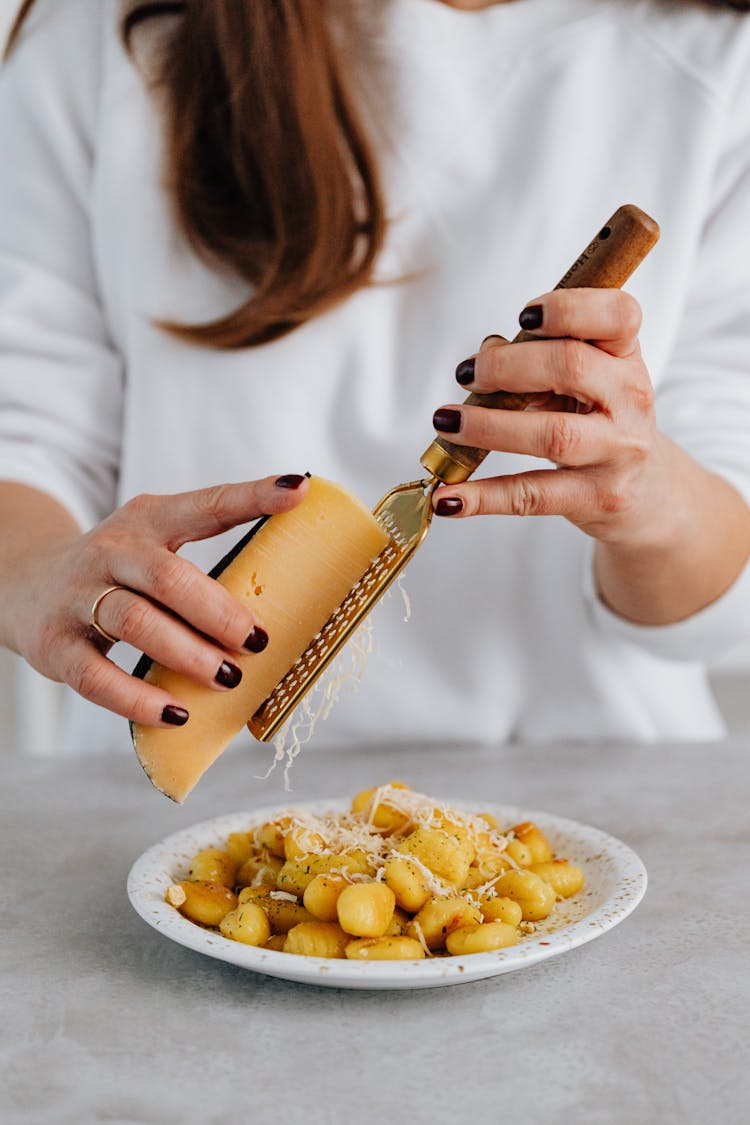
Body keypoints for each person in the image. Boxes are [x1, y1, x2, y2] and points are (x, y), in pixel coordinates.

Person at [1, 0, 749, 759]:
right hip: (154, 810)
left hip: (590, 802)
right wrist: (37, 573)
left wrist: (648, 497)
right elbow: (25, 435)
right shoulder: (97, 31)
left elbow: (722, 599)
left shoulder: (714, 55)